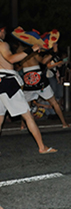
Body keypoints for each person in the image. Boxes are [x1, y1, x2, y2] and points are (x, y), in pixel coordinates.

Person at [0, 26, 57, 154]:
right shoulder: (2, 45)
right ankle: (42, 147)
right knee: (28, 116)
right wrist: (31, 49)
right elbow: (11, 59)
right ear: (1, 31)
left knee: (0, 118)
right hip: (8, 82)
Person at [20, 46, 70, 128]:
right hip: (38, 79)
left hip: (28, 79)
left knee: (26, 105)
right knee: (54, 102)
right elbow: (43, 61)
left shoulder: (20, 53)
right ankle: (64, 123)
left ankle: (22, 125)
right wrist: (53, 52)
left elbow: (18, 65)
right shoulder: (33, 53)